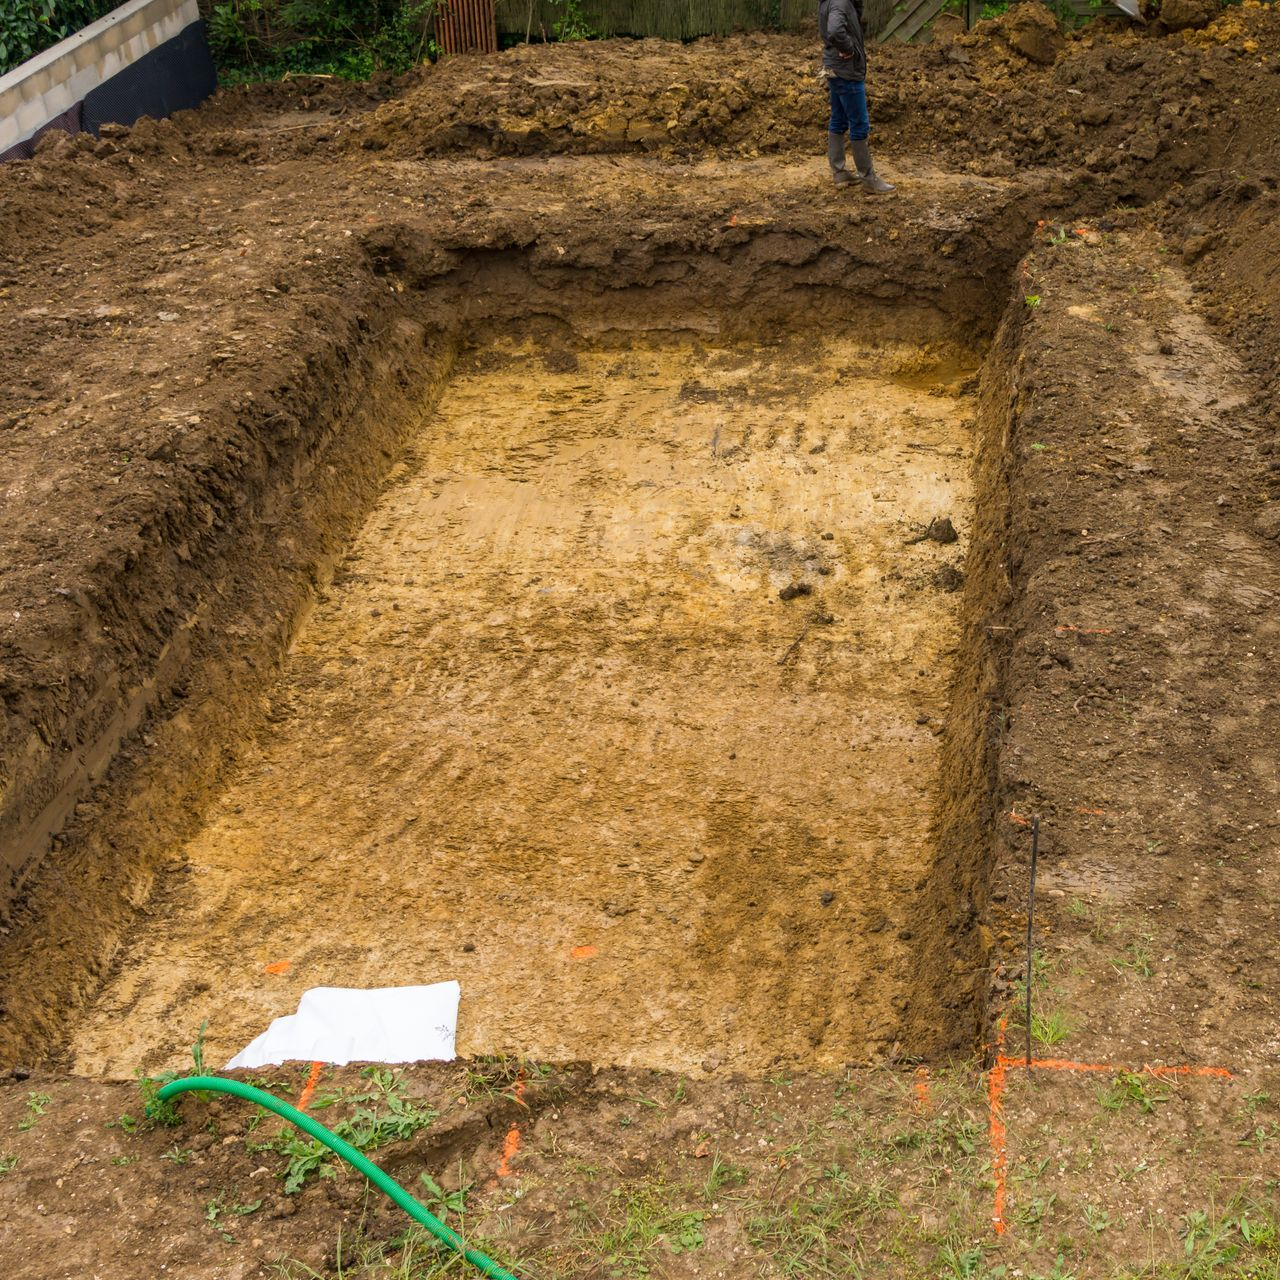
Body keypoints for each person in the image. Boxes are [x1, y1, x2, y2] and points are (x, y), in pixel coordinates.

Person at [819, 0, 895, 193]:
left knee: (838, 119)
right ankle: (868, 178)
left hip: (834, 68)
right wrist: (848, 49)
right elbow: (835, 31)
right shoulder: (841, 3)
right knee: (859, 123)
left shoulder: (832, 1)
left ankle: (839, 172)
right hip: (847, 71)